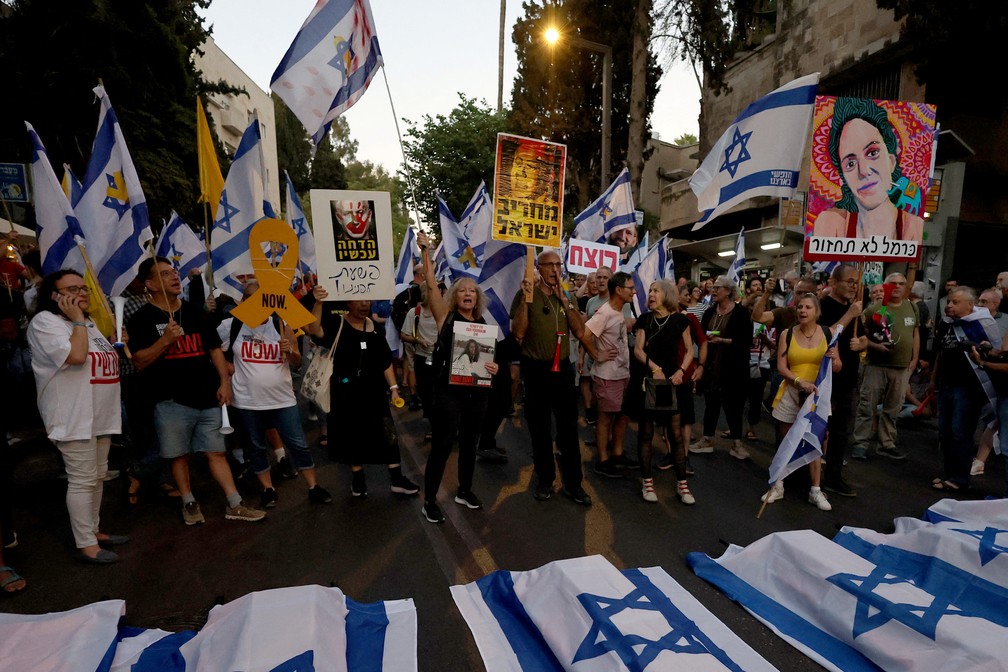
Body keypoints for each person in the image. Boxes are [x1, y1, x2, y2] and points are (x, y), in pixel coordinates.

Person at [128, 258, 265, 526]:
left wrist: (224, 384)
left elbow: (215, 350)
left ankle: (235, 503)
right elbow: (139, 361)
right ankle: (188, 501)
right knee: (179, 455)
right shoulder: (141, 319)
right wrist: (165, 341)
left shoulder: (195, 312)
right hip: (171, 401)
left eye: (175, 273)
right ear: (150, 284)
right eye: (165, 274)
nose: (174, 277)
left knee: (216, 452)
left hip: (208, 397)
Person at [27, 270, 129, 562]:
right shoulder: (46, 322)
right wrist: (76, 321)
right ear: (54, 295)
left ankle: (93, 530)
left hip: (99, 414)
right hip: (73, 416)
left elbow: (103, 361)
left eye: (84, 288)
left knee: (96, 477)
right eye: (73, 289)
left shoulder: (87, 322)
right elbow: (76, 357)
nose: (83, 293)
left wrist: (116, 341)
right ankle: (86, 544)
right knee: (82, 480)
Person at [415, 232, 498, 523]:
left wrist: (493, 368)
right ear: (455, 296)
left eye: (472, 292)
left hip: (477, 394)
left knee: (469, 444)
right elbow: (429, 283)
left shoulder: (485, 324)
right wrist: (426, 251)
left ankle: (464, 490)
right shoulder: (445, 317)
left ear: (477, 298)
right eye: (462, 291)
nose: (467, 294)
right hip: (448, 393)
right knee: (442, 444)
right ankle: (430, 500)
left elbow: (488, 359)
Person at [228, 280, 332, 509]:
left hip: (282, 399)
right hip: (247, 401)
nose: (254, 302)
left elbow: (295, 363)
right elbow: (217, 353)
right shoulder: (233, 325)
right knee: (255, 447)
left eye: (259, 298)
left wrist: (291, 352)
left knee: (298, 444)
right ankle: (268, 489)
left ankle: (313, 486)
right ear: (243, 301)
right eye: (249, 298)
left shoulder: (280, 323)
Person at [307, 293, 419, 499]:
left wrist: (394, 387)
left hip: (373, 391)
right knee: (351, 436)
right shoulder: (337, 324)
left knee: (387, 434)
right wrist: (319, 302)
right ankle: (358, 480)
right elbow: (315, 330)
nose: (365, 304)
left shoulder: (374, 327)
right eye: (359, 300)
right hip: (344, 392)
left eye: (368, 300)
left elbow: (385, 360)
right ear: (348, 302)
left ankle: (397, 479)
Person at [511, 250, 596, 505]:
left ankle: (573, 484)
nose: (555, 270)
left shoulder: (567, 295)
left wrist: (565, 299)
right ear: (539, 267)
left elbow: (579, 329)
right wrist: (526, 299)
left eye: (559, 265)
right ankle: (545, 479)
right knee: (540, 428)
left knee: (569, 428)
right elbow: (519, 333)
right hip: (536, 369)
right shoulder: (527, 294)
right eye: (549, 265)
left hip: (562, 368)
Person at [762, 293, 842, 510]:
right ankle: (778, 485)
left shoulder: (829, 333)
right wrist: (799, 382)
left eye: (807, 307)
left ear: (817, 312)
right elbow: (781, 367)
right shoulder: (787, 334)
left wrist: (835, 358)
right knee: (786, 438)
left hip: (817, 396)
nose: (802, 311)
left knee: (814, 440)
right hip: (791, 391)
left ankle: (815, 490)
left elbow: (837, 367)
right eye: (799, 307)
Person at [811, 97, 924, 242]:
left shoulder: (913, 227)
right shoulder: (831, 223)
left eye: (872, 153)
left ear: (891, 161)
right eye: (850, 163)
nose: (864, 171)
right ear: (843, 177)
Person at [626, 280, 694, 504]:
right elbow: (637, 350)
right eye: (651, 291)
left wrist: (681, 371)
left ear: (666, 295)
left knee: (675, 435)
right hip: (649, 383)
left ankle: (682, 485)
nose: (651, 294)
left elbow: (689, 351)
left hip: (669, 384)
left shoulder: (680, 320)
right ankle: (647, 483)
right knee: (646, 434)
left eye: (656, 291)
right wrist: (655, 369)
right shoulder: (645, 319)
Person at [930, 287, 1001, 492]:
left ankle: (960, 479)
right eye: (949, 302)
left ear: (970, 305)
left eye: (955, 302)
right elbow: (939, 354)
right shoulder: (946, 324)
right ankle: (950, 474)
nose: (949, 306)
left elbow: (994, 354)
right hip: (946, 384)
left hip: (969, 388)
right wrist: (933, 380)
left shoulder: (982, 325)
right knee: (944, 432)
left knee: (960, 431)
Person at [849, 273, 919, 461]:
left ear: (906, 287)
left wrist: (914, 359)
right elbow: (862, 338)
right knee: (867, 405)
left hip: (901, 368)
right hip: (875, 366)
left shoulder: (912, 307)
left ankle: (886, 443)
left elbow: (915, 334)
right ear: (886, 286)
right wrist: (875, 346)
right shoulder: (873, 310)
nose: (897, 287)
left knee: (893, 408)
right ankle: (860, 443)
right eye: (892, 284)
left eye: (901, 284)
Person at [690, 276, 753, 459]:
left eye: (717, 288)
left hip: (733, 368)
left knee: (733, 406)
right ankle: (707, 439)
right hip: (712, 367)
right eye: (713, 287)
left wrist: (722, 341)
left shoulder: (741, 313)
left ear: (728, 291)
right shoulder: (710, 312)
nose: (713, 290)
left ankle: (736, 443)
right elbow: (701, 334)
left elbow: (746, 341)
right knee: (711, 403)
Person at [584, 271, 636, 478]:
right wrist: (597, 354)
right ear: (619, 290)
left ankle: (617, 453)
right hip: (607, 375)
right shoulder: (603, 313)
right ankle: (603, 460)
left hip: (623, 373)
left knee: (623, 416)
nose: (634, 291)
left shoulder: (620, 310)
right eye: (630, 288)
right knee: (605, 418)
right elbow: (585, 334)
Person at [818, 264, 864, 497]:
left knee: (842, 432)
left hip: (848, 380)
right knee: (816, 429)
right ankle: (807, 476)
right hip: (825, 379)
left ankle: (833, 477)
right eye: (849, 281)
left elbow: (864, 337)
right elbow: (825, 335)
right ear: (834, 283)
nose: (853, 286)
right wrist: (850, 315)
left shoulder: (854, 310)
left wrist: (862, 343)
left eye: (856, 282)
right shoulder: (823, 306)